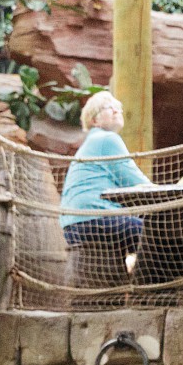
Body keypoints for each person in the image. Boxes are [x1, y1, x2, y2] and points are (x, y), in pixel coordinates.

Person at [60, 90, 151, 290]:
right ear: (94, 120)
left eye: (118, 106)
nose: (116, 109)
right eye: (109, 107)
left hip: (74, 225)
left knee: (146, 230)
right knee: (157, 232)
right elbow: (136, 182)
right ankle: (149, 291)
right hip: (93, 221)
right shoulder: (106, 140)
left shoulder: (91, 143)